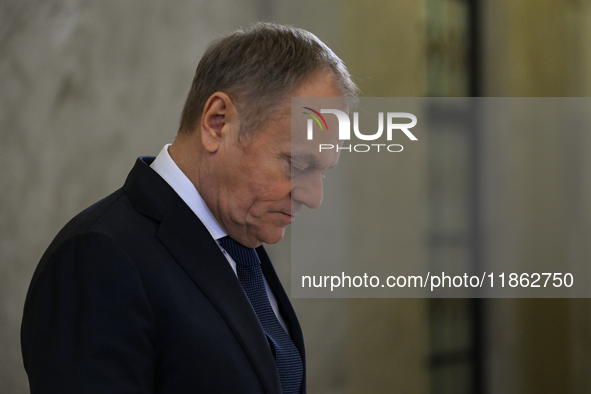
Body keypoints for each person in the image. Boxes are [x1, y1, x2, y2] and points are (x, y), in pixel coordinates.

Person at [21, 22, 357, 393]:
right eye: (297, 164)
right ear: (218, 122)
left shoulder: (240, 236)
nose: (314, 197)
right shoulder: (97, 256)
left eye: (323, 171)